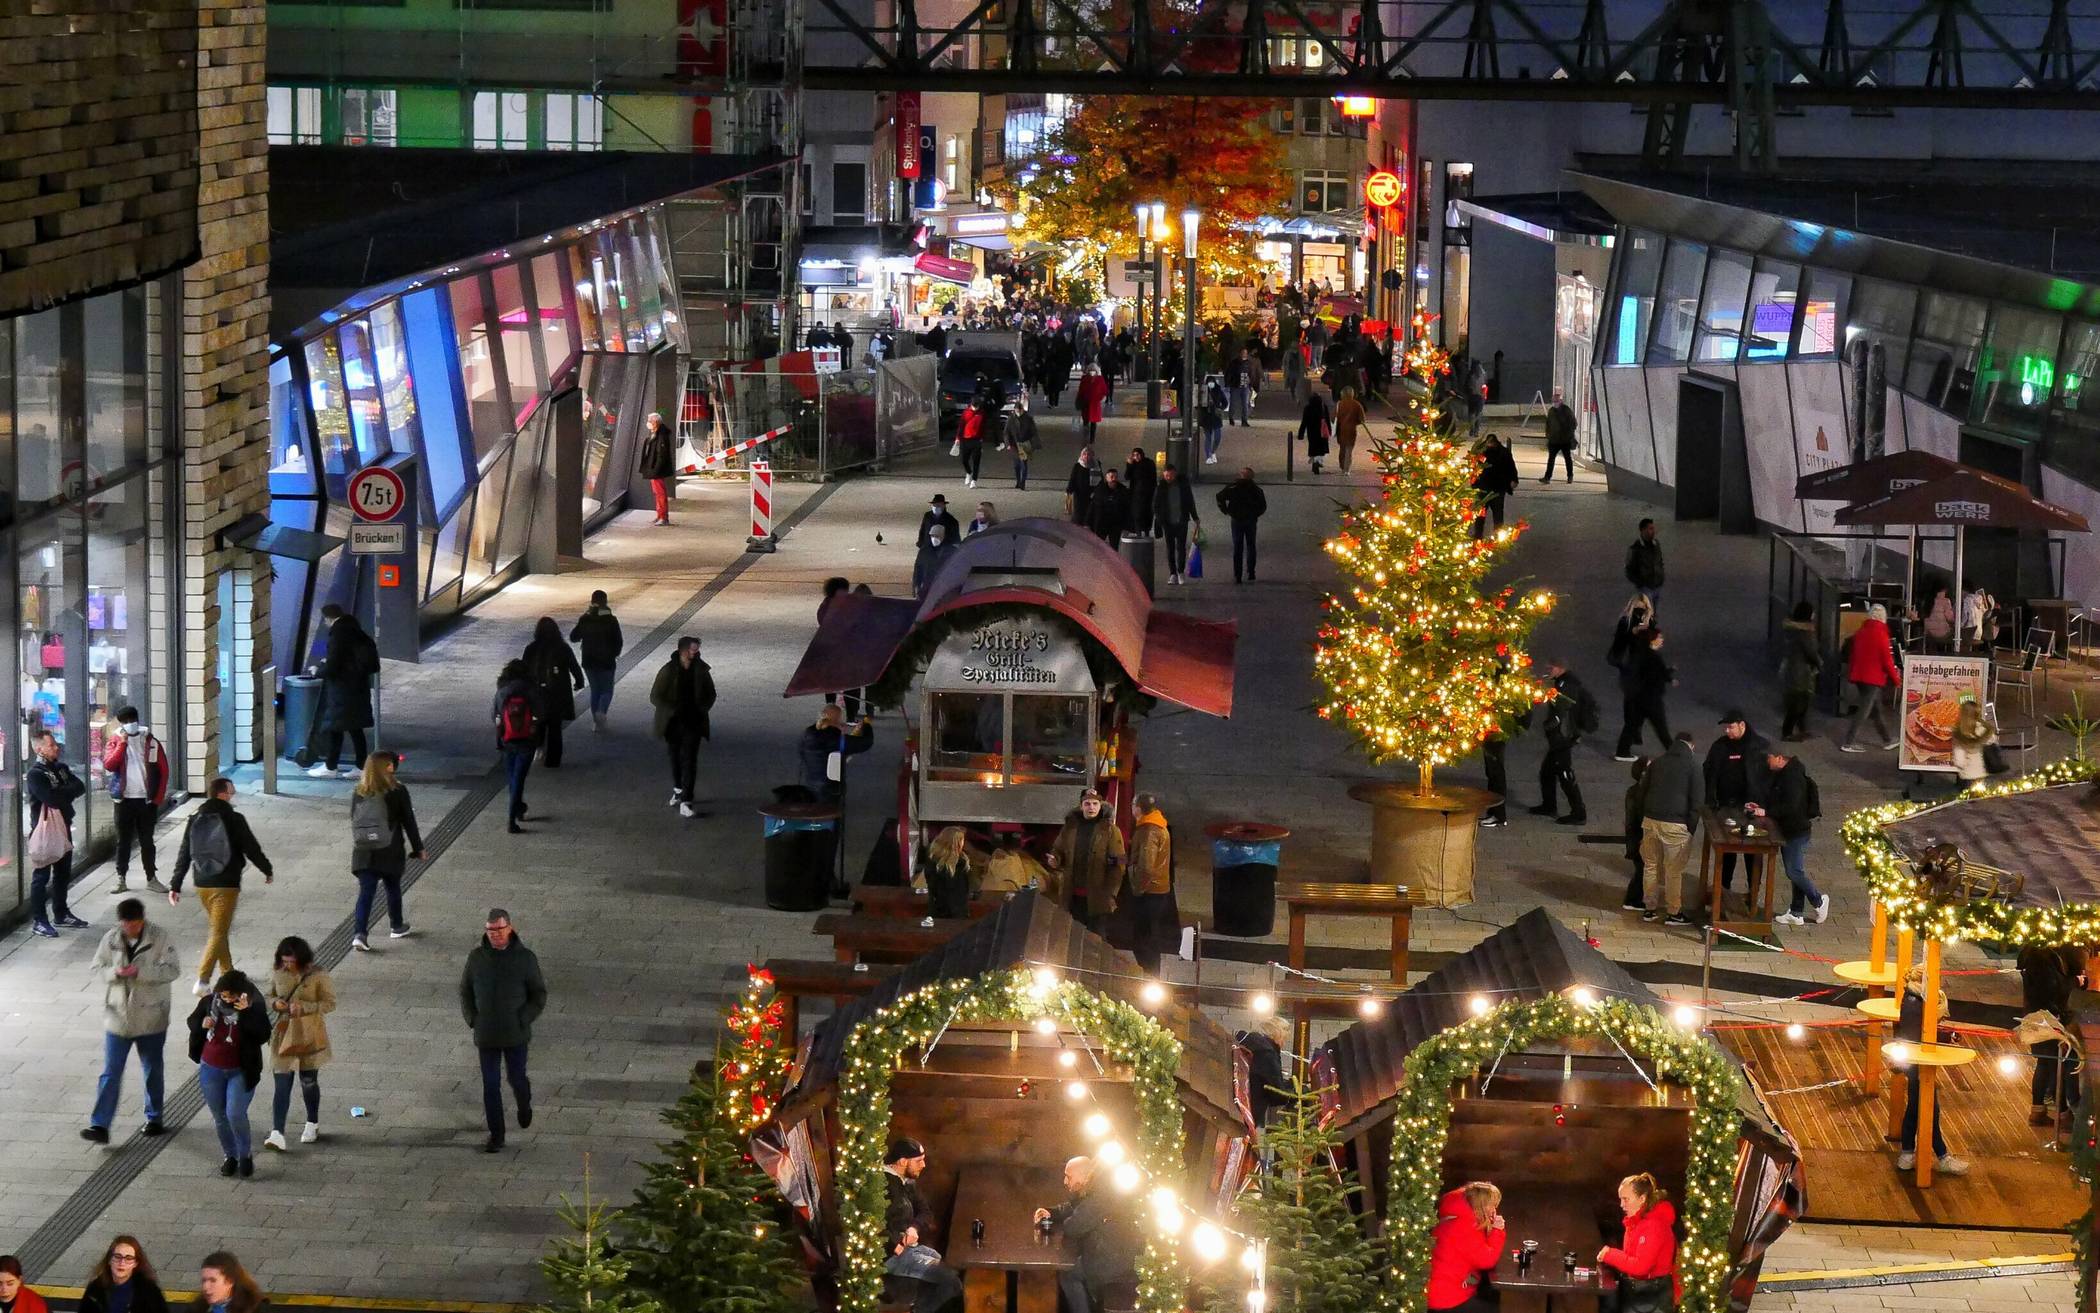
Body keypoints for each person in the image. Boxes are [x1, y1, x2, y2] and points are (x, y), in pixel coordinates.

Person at [81, 898, 181, 1144]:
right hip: (118, 1016)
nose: (131, 929)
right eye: (127, 925)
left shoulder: (159, 937)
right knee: (111, 1072)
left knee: (152, 1068)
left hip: (150, 1017)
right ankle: (100, 1125)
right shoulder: (111, 939)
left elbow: (173, 970)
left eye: (135, 924)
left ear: (142, 919)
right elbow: (97, 967)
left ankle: (154, 1117)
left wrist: (141, 973)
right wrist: (115, 973)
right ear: (121, 922)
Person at [169, 777, 273, 996]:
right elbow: (251, 847)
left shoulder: (195, 818)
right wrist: (266, 869)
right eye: (231, 790)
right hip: (226, 883)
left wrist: (175, 884)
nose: (233, 793)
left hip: (202, 883)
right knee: (218, 931)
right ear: (222, 793)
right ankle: (203, 980)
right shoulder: (234, 818)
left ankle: (228, 972)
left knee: (220, 928)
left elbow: (184, 852)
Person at [461, 908, 547, 1153]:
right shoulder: (477, 958)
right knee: (490, 1084)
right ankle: (497, 1135)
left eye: (498, 930)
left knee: (516, 1078)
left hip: (515, 1033)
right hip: (486, 1033)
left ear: (509, 928)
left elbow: (538, 994)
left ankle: (524, 1103)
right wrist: (472, 1018)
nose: (494, 935)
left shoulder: (525, 959)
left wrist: (524, 1018)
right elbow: (465, 990)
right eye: (490, 930)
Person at [187, 968, 270, 1178]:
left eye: (231, 996)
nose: (226, 1000)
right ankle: (230, 1155)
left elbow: (262, 1034)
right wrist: (201, 1024)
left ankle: (244, 1154)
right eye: (223, 995)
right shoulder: (210, 1003)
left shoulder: (252, 1006)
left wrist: (247, 1013)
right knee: (220, 1116)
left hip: (240, 1070)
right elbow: (192, 1021)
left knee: (235, 1113)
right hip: (211, 1068)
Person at [1032, 1157, 1141, 1313]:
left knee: (1070, 1273)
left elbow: (1074, 1226)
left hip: (1115, 1265)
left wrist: (1067, 1220)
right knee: (1070, 1272)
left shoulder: (1101, 1196)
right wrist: (1051, 1212)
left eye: (1068, 1177)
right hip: (1111, 1256)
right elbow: (1073, 1208)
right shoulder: (1096, 1189)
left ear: (1083, 1177)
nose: (1064, 1181)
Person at [1893, 963, 1969, 1175]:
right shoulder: (1916, 1001)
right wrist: (1947, 1036)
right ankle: (1938, 1156)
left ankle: (1908, 1154)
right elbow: (1920, 1033)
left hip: (1913, 1059)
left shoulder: (1913, 998)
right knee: (1928, 1110)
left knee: (1918, 1107)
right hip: (1917, 1061)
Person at [262, 936, 335, 1153]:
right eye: (284, 961)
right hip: (284, 1034)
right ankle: (277, 1132)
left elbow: (330, 1003)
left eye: (291, 962)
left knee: (308, 1081)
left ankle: (312, 1122)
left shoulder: (318, 975)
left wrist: (303, 1007)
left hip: (309, 1034)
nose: (287, 966)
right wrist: (275, 1003)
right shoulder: (278, 972)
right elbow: (268, 995)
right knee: (281, 1083)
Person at [349, 751, 424, 952]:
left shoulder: (359, 791)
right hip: (390, 849)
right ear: (387, 767)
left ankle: (360, 934)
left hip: (364, 851)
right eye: (391, 763)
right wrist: (419, 848)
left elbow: (354, 820)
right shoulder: (398, 791)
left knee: (366, 893)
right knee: (392, 887)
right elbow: (409, 821)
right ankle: (396, 926)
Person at [880, 1140, 963, 1313]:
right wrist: (896, 1244)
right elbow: (873, 1223)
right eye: (919, 1161)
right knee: (951, 1282)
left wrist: (913, 1228)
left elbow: (925, 1211)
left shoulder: (907, 1182)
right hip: (892, 1256)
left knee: (953, 1271)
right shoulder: (883, 1186)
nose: (923, 1165)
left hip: (911, 1248)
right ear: (903, 1161)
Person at [1749, 746, 1829, 926]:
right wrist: (1761, 806)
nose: (1767, 763)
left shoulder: (1792, 778)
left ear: (1779, 758)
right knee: (1795, 871)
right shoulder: (1786, 773)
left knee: (1793, 871)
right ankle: (1796, 912)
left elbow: (1790, 806)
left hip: (1796, 831)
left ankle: (1819, 900)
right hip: (1789, 830)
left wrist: (1767, 811)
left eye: (1769, 758)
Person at [25, 727, 87, 937]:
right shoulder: (35, 774)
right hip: (44, 830)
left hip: (64, 825)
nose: (56, 748)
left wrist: (62, 793)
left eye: (55, 744)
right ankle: (39, 920)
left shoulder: (60, 768)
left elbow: (79, 786)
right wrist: (64, 792)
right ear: (40, 749)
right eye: (51, 745)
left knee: (63, 872)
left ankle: (61, 912)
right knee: (41, 876)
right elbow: (51, 799)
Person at [1704, 711, 1770, 906]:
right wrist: (1711, 800)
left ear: (1742, 725)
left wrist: (1763, 804)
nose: (1727, 731)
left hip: (1751, 808)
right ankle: (1723, 891)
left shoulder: (1758, 746)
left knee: (1753, 851)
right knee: (1727, 850)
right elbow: (1709, 771)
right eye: (1725, 727)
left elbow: (1766, 777)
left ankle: (1753, 894)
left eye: (1730, 727)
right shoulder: (1720, 746)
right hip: (1726, 806)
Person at [303, 603, 376, 779]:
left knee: (335, 727)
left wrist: (317, 670)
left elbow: (334, 666)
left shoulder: (338, 633)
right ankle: (360, 766)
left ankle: (330, 767)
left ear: (328, 618)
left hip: (342, 690)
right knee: (354, 728)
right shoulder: (354, 630)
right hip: (357, 687)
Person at [103, 706, 169, 894]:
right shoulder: (115, 741)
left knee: (147, 841)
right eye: (125, 721)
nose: (129, 724)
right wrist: (122, 744)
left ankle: (151, 877)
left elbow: (163, 770)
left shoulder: (150, 741)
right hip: (123, 800)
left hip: (146, 801)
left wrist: (157, 798)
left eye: (131, 720)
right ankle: (121, 878)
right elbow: (109, 765)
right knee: (123, 841)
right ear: (120, 723)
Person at [2018, 944, 2086, 1125]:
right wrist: (2075, 982)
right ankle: (2063, 1114)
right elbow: (2050, 988)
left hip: (2040, 1017)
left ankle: (2038, 1110)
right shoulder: (2040, 959)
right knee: (2059, 1064)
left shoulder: (2037, 956)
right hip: (2047, 1019)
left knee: (2046, 1063)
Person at [650, 636, 716, 818]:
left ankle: (687, 799)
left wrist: (701, 709)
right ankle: (678, 789)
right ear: (682, 650)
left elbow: (711, 693)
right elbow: (655, 696)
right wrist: (671, 709)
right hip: (672, 723)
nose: (695, 653)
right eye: (692, 650)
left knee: (690, 760)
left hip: (693, 722)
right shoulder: (669, 670)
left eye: (696, 650)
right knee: (675, 757)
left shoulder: (701, 670)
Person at [1638, 732, 1700, 926]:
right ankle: (1674, 912)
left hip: (1650, 821)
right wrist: (1690, 828)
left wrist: (1647, 814)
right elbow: (1697, 800)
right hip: (1676, 824)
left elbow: (1642, 791)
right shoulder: (1693, 766)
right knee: (1673, 871)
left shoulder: (1657, 763)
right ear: (1691, 746)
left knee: (1650, 866)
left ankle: (1649, 909)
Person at [1596, 1173, 1679, 1310]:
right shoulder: (1636, 1222)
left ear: (1642, 1198)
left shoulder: (1653, 1225)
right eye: (1621, 1199)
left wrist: (1610, 1254)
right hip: (1642, 1296)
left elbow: (1641, 1267)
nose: (1622, 1205)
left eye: (1626, 1199)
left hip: (1650, 1298)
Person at [1529, 661, 1595, 825]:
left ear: (1561, 668)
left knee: (1565, 773)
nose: (1548, 670)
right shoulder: (1562, 681)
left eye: (1551, 667)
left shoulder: (1567, 684)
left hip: (1563, 738)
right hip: (1561, 737)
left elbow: (1562, 710)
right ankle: (1549, 805)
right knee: (1547, 772)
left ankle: (1579, 813)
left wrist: (1550, 724)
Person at [1049, 787, 1124, 929]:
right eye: (1087, 804)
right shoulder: (1070, 828)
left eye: (1095, 804)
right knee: (1072, 937)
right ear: (1081, 806)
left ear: (1100, 806)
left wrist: (1110, 893)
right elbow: (1058, 850)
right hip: (1072, 896)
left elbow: (1119, 863)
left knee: (1096, 940)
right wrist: (1055, 860)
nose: (1092, 807)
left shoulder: (1110, 830)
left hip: (1097, 898)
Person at [1425, 1181, 1505, 1313]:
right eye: (1492, 1205)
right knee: (1500, 1307)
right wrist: (1497, 1231)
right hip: (1447, 1300)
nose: (1494, 1209)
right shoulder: (1464, 1227)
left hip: (1438, 1293)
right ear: (1482, 1206)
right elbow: (1487, 1260)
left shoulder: (1456, 1215)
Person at [523, 617, 585, 769]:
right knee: (555, 728)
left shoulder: (531, 648)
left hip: (537, 693)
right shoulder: (562, 648)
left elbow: (524, 669)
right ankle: (553, 761)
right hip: (558, 693)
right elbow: (574, 667)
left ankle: (538, 749)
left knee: (539, 723)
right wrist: (579, 682)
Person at [1124, 793, 1177, 973]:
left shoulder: (1149, 830)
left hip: (1150, 892)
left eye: (1133, 804)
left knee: (1144, 938)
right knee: (1149, 934)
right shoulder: (1158, 824)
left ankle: (1149, 976)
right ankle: (1151, 975)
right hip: (1158, 888)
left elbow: (1146, 866)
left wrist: (1138, 888)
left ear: (1137, 808)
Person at [1840, 603, 1902, 753]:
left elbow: (1853, 656)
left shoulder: (1861, 632)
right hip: (1873, 679)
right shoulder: (1882, 635)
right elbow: (1887, 661)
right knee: (1865, 711)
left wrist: (1852, 674)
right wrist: (1896, 680)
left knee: (1875, 709)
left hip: (1860, 676)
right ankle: (1848, 742)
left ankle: (1887, 739)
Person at [492, 659, 542, 834]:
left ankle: (518, 809)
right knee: (519, 778)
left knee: (513, 778)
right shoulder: (530, 690)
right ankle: (512, 819)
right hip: (527, 741)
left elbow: (494, 715)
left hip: (508, 740)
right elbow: (540, 713)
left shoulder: (502, 691)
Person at [1613, 628, 1674, 761]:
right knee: (1661, 727)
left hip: (1637, 698)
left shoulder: (1639, 654)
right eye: (1660, 637)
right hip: (1651, 699)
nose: (1662, 639)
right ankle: (1675, 753)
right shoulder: (1653, 657)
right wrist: (1668, 675)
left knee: (1632, 725)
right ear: (1652, 639)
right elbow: (1655, 676)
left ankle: (1622, 752)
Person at [569, 591, 624, 731]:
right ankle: (601, 711)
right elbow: (618, 641)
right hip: (606, 662)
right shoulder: (611, 620)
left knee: (595, 690)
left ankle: (596, 723)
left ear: (592, 601)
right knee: (607, 690)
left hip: (589, 661)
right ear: (605, 602)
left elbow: (573, 637)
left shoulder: (585, 619)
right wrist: (614, 653)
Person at [799, 704, 873, 801]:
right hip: (830, 788)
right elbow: (866, 742)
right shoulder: (836, 740)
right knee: (830, 810)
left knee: (815, 809)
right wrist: (867, 725)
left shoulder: (808, 734)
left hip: (811, 784)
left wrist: (853, 733)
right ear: (837, 721)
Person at [79, 1237, 169, 1313]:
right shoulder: (94, 1291)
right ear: (109, 1260)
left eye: (128, 1258)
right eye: (117, 1256)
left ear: (136, 1263)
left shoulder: (149, 1292)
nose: (122, 1263)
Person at [1216, 467, 1267, 584]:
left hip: (1237, 520)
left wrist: (1226, 510)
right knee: (1251, 545)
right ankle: (1251, 572)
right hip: (1250, 520)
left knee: (1238, 547)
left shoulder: (1233, 487)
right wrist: (1255, 514)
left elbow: (1219, 497)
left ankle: (1237, 574)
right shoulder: (1255, 489)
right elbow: (1263, 505)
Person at [1779, 602, 1820, 741]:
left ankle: (1802, 729)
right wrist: (1819, 663)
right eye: (1812, 612)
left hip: (1791, 669)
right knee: (1799, 702)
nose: (1814, 615)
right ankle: (1787, 732)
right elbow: (1811, 652)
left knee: (1799, 700)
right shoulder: (1805, 632)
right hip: (1800, 672)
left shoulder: (1791, 629)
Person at [1153, 463, 1200, 586]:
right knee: (1170, 548)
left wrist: (1195, 517)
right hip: (1167, 523)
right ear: (1163, 475)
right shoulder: (1160, 487)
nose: (1169, 478)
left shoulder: (1183, 486)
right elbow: (1155, 505)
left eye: (1171, 475)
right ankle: (1172, 573)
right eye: (1167, 475)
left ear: (1175, 474)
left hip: (1181, 521)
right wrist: (1160, 519)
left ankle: (1180, 572)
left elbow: (1190, 501)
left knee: (1181, 547)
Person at [922, 825, 973, 919]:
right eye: (962, 840)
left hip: (936, 912)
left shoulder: (933, 861)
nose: (963, 843)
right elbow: (959, 893)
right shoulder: (959, 864)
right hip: (955, 915)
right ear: (955, 843)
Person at [1472, 434, 1519, 535]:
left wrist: (1513, 479)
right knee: (1488, 514)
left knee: (1494, 514)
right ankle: (1482, 535)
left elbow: (1510, 467)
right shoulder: (1500, 452)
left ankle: (1484, 535)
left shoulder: (1499, 453)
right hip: (1490, 487)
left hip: (1492, 487)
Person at [1621, 757, 1652, 911]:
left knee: (1642, 868)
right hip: (1639, 837)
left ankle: (1635, 898)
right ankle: (1633, 900)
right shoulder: (1640, 792)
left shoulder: (1636, 790)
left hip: (1637, 836)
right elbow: (1637, 818)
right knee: (1641, 869)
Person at [192, 1252, 267, 1313]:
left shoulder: (254, 1307)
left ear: (230, 1282)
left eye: (213, 1280)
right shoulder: (198, 1308)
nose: (205, 1287)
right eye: (204, 1280)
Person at [637, 410, 676, 525]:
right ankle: (659, 515)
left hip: (657, 470)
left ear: (655, 423)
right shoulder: (655, 433)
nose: (648, 423)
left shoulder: (661, 436)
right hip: (653, 469)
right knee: (657, 493)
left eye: (650, 421)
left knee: (660, 493)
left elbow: (661, 455)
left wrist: (656, 469)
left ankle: (663, 517)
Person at [1951, 697, 1996, 784]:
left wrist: (1960, 766)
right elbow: (1992, 740)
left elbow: (1959, 758)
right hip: (1981, 771)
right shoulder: (1982, 729)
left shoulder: (1960, 733)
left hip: (1966, 774)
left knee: (1967, 795)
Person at [1624, 519, 1665, 610]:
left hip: (1657, 585)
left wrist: (1661, 575)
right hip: (1645, 588)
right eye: (1650, 529)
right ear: (1643, 530)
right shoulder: (1634, 549)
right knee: (1646, 613)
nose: (1653, 531)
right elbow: (1628, 570)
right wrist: (1640, 583)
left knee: (1654, 613)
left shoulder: (1656, 544)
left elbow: (1660, 560)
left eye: (1653, 528)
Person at [913, 521, 958, 598]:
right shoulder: (924, 551)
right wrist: (916, 586)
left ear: (944, 536)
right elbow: (918, 569)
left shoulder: (951, 551)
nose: (934, 538)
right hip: (926, 589)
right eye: (932, 536)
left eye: (937, 536)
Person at [1542, 390, 1578, 482]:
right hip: (1554, 440)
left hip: (1564, 440)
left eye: (1556, 401)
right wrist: (1548, 435)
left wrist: (1568, 435)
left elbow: (1573, 423)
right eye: (1553, 401)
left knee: (1567, 458)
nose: (1555, 403)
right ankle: (1547, 477)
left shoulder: (1566, 410)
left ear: (1561, 401)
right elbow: (1548, 424)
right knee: (1551, 459)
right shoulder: (1551, 411)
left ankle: (1570, 476)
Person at [956, 392, 988, 489]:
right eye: (974, 407)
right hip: (965, 439)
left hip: (976, 440)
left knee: (976, 462)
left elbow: (984, 427)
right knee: (964, 460)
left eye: (977, 407)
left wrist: (982, 438)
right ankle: (968, 472)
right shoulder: (966, 412)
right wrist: (958, 438)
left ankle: (974, 480)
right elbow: (961, 426)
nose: (975, 409)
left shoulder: (982, 414)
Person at [1087, 469, 1128, 543]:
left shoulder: (1122, 490)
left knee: (1114, 548)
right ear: (1106, 478)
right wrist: (1087, 523)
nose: (1114, 479)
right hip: (1101, 523)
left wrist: (1126, 526)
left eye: (1115, 477)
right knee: (1099, 546)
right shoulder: (1100, 491)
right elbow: (1093, 506)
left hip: (1116, 524)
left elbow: (1126, 509)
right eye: (1111, 477)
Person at [1008, 394, 1039, 489]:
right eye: (1016, 411)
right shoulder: (1011, 419)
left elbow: (1033, 431)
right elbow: (1006, 432)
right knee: (1016, 465)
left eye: (1019, 411)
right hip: (1014, 444)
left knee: (1023, 464)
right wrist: (1008, 443)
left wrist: (1033, 444)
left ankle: (1022, 483)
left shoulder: (1028, 419)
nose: (1017, 413)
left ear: (1022, 410)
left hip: (1024, 444)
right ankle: (1018, 481)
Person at [1065, 447, 1102, 526]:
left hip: (1091, 495)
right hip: (1079, 495)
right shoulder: (1077, 466)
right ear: (1081, 456)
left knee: (1090, 515)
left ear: (1092, 455)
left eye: (1089, 454)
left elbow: (1100, 481)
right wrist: (1069, 490)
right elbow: (1073, 479)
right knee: (1079, 516)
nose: (1086, 456)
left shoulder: (1097, 465)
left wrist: (1097, 492)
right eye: (1084, 454)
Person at [1297, 392, 1330, 474]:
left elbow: (1304, 422)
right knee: (1322, 449)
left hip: (1311, 431)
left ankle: (1314, 462)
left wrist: (1301, 433)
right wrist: (1329, 429)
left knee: (1313, 447)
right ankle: (1318, 462)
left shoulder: (1308, 408)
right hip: (1322, 431)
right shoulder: (1323, 406)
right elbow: (1327, 419)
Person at [1123, 446, 1158, 524]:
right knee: (1137, 514)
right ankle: (1138, 531)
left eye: (1138, 454)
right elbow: (1127, 477)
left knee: (1147, 512)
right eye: (1134, 455)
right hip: (1136, 493)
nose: (1136, 457)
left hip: (1148, 493)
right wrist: (1129, 465)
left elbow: (1150, 476)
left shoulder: (1149, 463)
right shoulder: (1132, 464)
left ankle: (1146, 531)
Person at [1075, 365, 1110, 443]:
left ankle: (1092, 438)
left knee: (1093, 422)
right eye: (1090, 370)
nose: (1092, 372)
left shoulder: (1100, 379)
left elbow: (1104, 390)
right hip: (1085, 403)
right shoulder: (1084, 378)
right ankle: (1086, 435)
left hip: (1095, 404)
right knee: (1085, 421)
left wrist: (1102, 398)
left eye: (1093, 370)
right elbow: (1081, 390)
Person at [1919, 582, 1957, 650]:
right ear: (1943, 590)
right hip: (1942, 634)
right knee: (1956, 635)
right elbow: (1950, 618)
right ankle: (1949, 654)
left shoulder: (1926, 601)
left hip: (1929, 634)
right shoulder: (1946, 601)